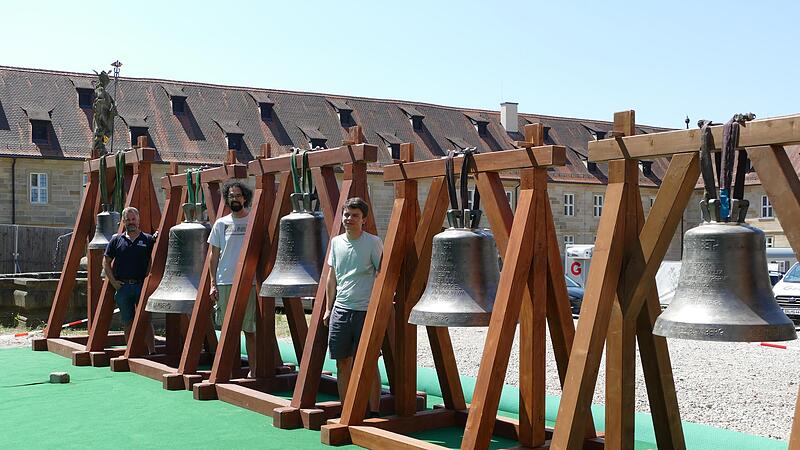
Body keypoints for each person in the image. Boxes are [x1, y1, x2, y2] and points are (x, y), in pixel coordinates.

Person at [323, 197, 383, 414]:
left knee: (368, 362)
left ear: (363, 219)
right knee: (342, 363)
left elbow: (381, 273)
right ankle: (346, 410)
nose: (349, 219)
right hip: (341, 310)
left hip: (365, 311)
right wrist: (328, 308)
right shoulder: (336, 242)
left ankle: (374, 411)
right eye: (346, 214)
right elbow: (332, 277)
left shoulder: (373, 242)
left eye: (355, 215)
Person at [208, 180, 258, 375]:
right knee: (228, 331)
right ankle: (226, 372)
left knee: (250, 330)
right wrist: (213, 283)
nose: (235, 199)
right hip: (225, 282)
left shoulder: (253, 220)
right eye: (231, 196)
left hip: (249, 283)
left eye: (238, 195)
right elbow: (213, 255)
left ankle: (254, 372)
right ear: (227, 199)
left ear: (245, 198)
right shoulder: (221, 224)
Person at [104, 206, 155, 353]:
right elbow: (106, 262)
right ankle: (131, 352)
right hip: (123, 288)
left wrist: (148, 283)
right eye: (128, 219)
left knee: (145, 320)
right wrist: (114, 282)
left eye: (133, 219)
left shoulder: (148, 239)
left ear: (138, 220)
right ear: (123, 221)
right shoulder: (116, 240)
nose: (131, 222)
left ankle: (152, 351)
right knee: (127, 322)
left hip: (141, 286)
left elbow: (155, 261)